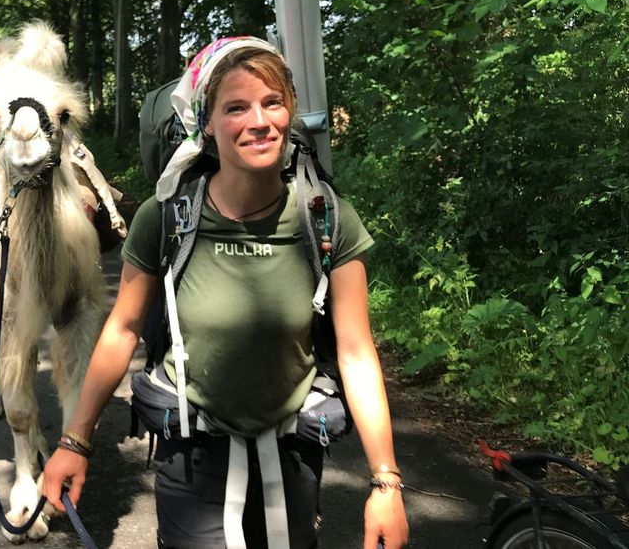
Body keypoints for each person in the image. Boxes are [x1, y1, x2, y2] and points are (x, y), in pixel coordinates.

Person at [43, 37, 409, 548]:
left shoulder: (326, 217)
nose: (259, 120)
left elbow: (355, 351)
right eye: (236, 107)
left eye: (272, 102)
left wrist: (385, 481)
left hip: (293, 452)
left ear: (290, 113)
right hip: (192, 456)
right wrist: (74, 441)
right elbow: (122, 330)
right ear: (206, 124)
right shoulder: (167, 216)